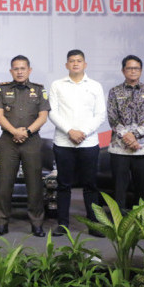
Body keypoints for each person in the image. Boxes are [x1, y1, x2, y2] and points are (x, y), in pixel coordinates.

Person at [49, 49, 106, 236]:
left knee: (90, 185)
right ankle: (63, 224)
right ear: (66, 65)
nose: (75, 63)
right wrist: (70, 131)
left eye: (79, 61)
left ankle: (94, 224)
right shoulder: (57, 85)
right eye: (72, 61)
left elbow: (100, 114)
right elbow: (52, 112)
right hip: (64, 142)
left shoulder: (95, 86)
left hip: (88, 143)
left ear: (85, 64)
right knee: (63, 185)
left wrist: (83, 132)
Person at [0, 55, 49, 237]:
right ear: (11, 71)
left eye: (22, 68)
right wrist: (15, 132)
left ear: (29, 70)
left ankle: (37, 223)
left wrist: (27, 132)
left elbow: (43, 116)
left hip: (31, 141)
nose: (19, 72)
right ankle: (1, 222)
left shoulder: (39, 90)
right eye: (16, 69)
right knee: (5, 184)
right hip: (9, 141)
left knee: (34, 184)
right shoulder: (2, 89)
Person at [106, 55, 144, 210]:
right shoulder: (114, 91)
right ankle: (119, 222)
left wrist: (134, 136)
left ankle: (143, 220)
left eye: (136, 68)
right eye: (129, 68)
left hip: (143, 148)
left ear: (141, 71)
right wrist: (127, 136)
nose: (133, 71)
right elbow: (112, 118)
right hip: (119, 148)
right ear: (123, 71)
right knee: (119, 189)